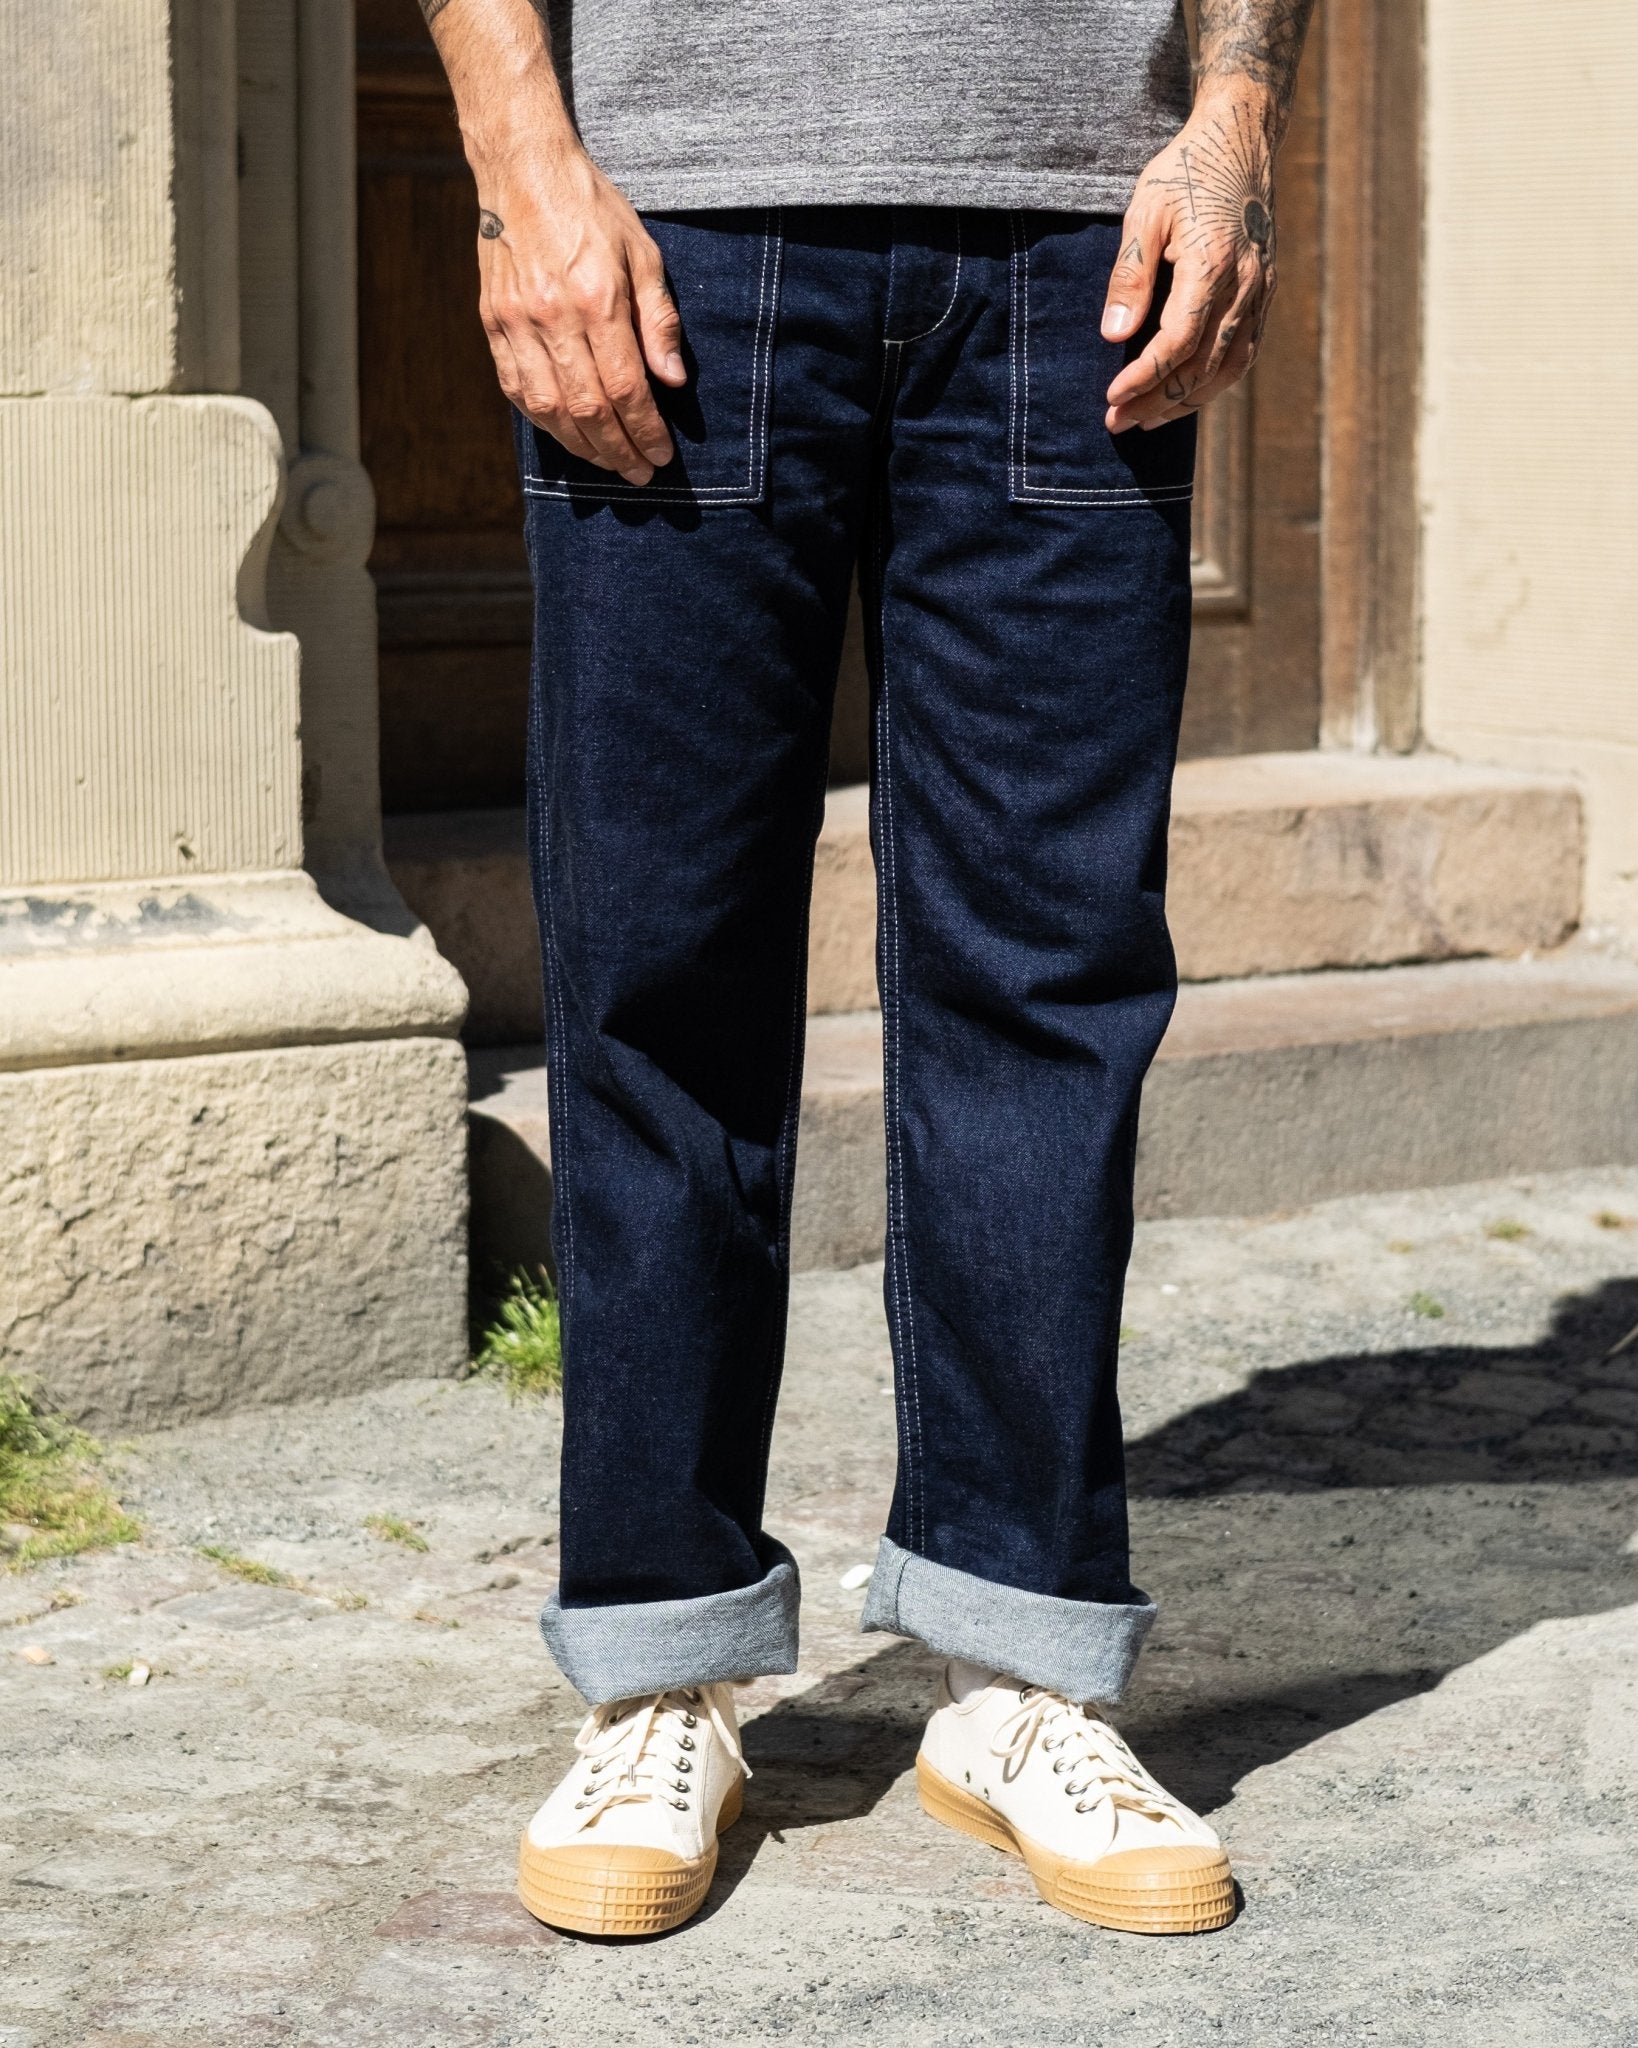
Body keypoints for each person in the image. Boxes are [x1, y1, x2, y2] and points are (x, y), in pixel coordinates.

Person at [420, 0, 1314, 1939]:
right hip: (675, 225)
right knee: (661, 977)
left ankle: (1021, 1671)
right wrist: (518, 160)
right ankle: (660, 1670)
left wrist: (1236, 115)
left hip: (1082, 241)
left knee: (1048, 976)